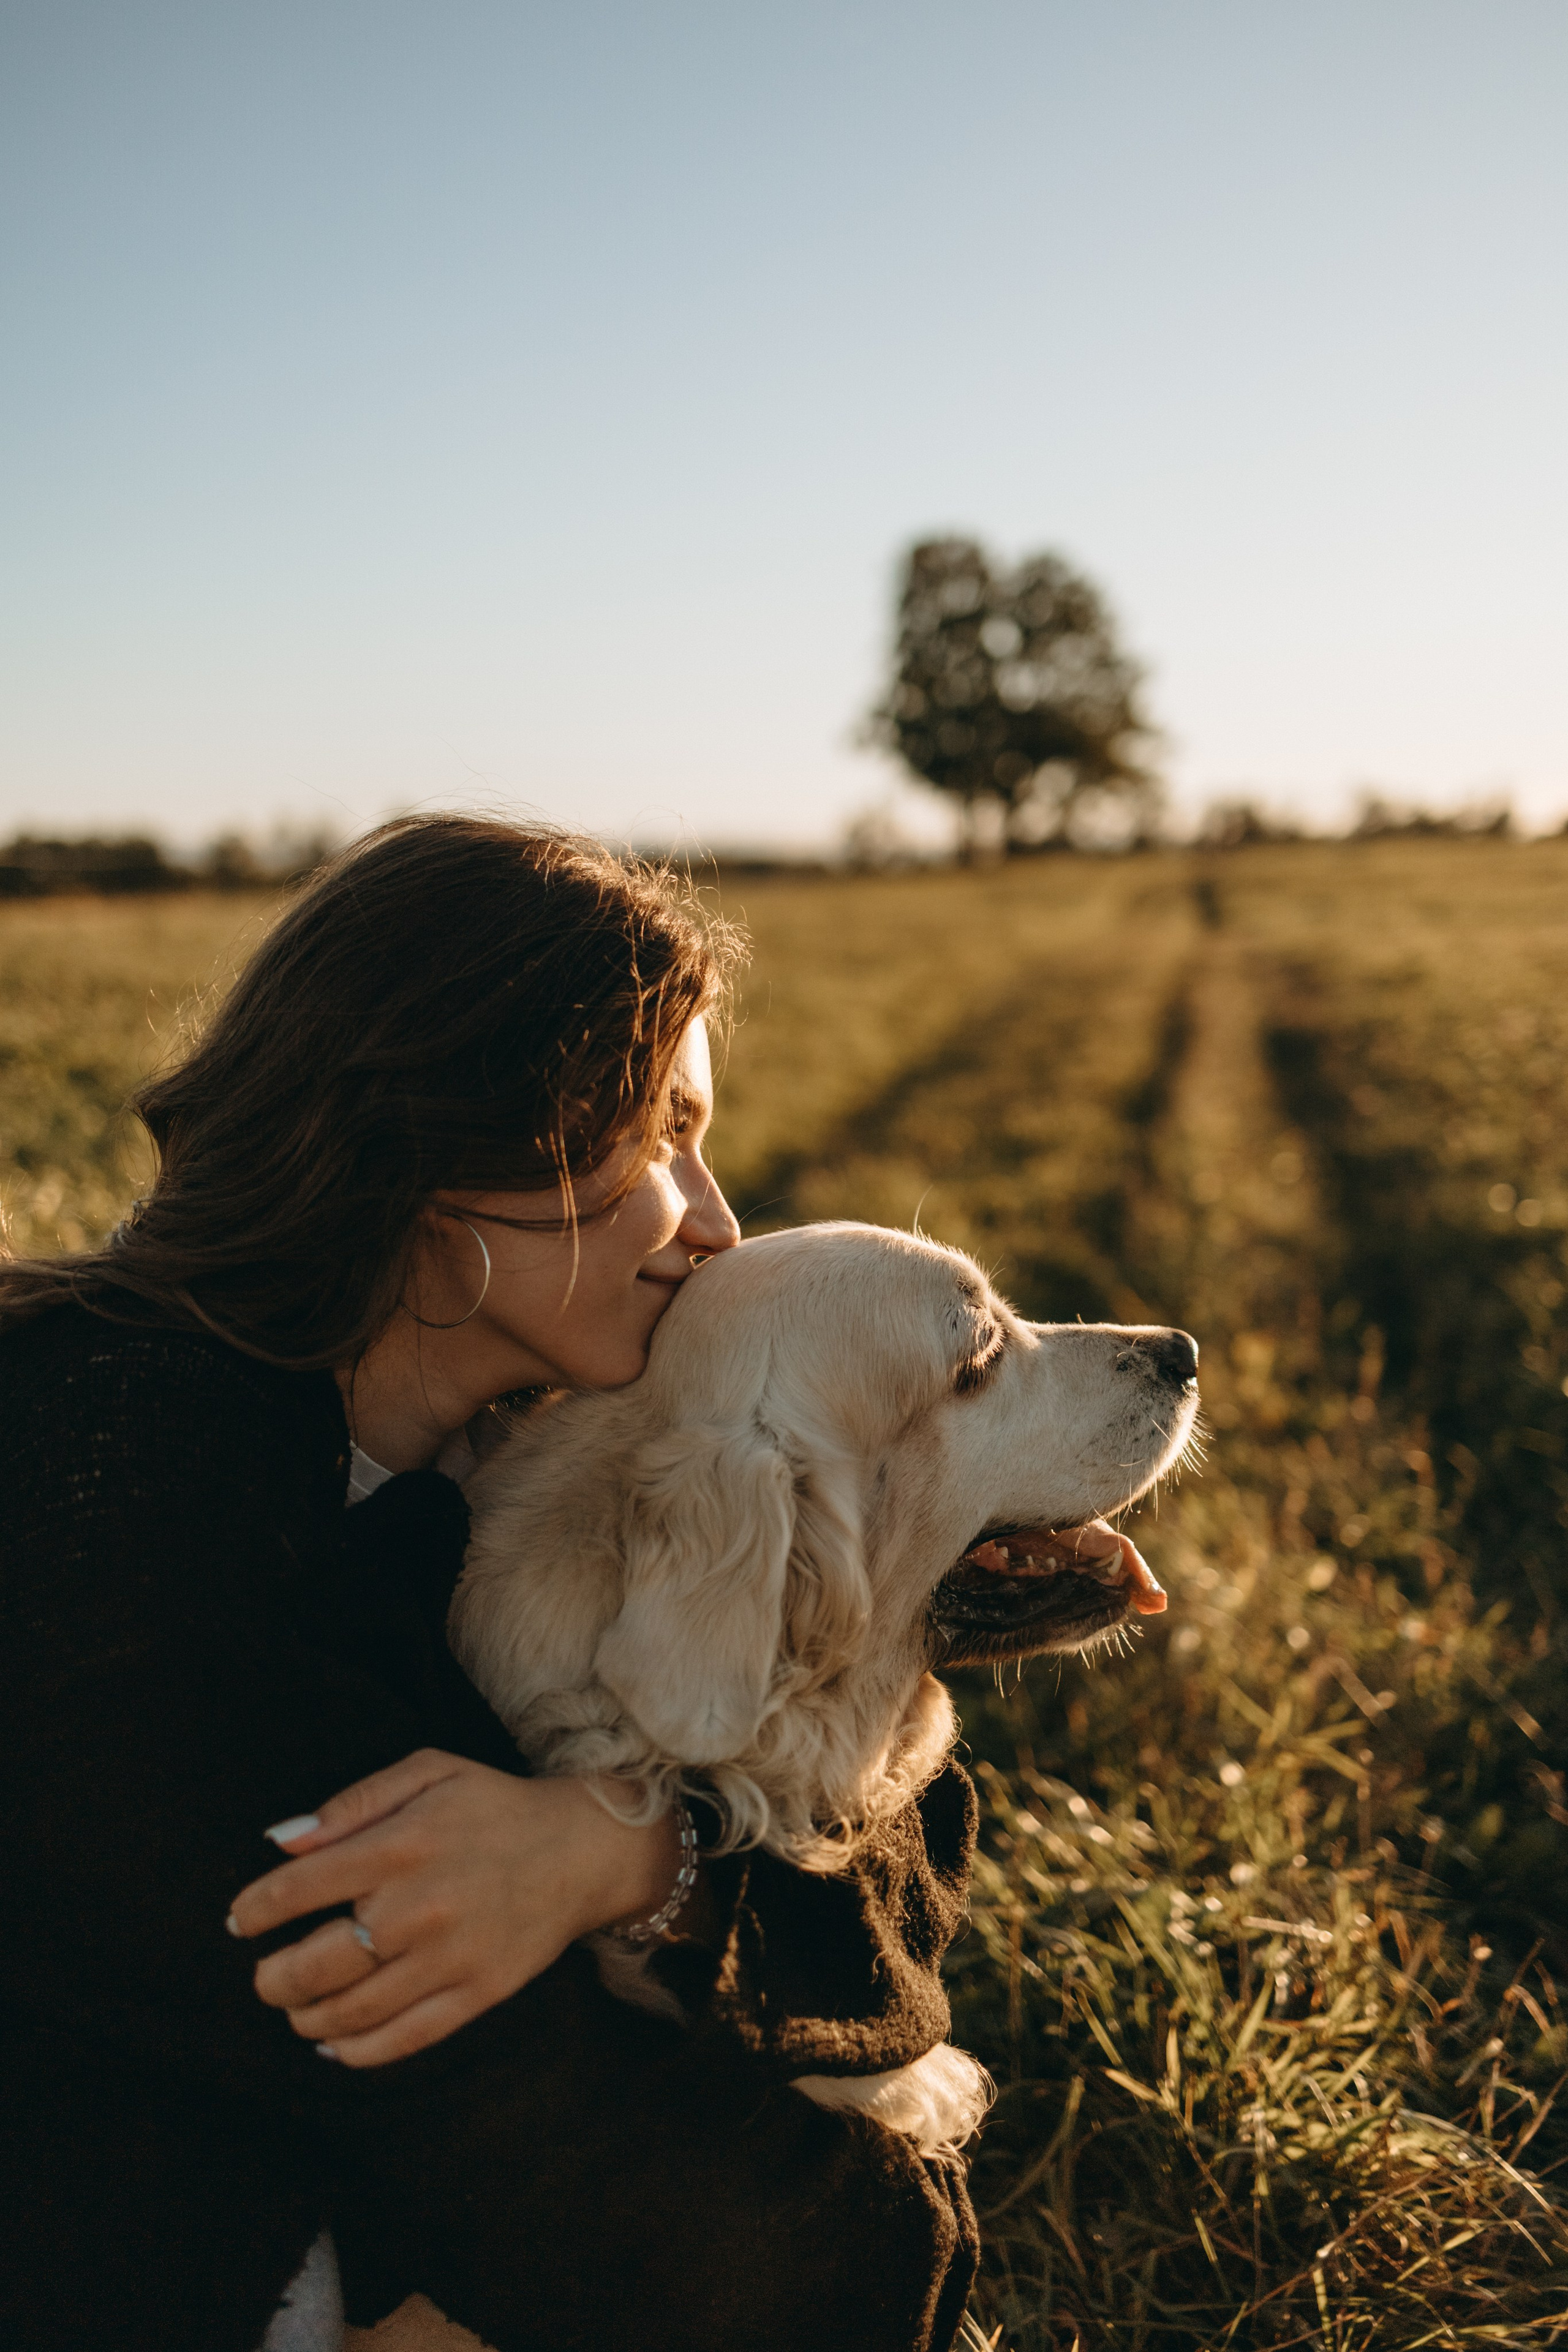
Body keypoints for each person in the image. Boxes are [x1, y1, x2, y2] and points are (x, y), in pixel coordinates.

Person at [0, 816, 979, 2352]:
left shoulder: (524, 1444)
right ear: (459, 1152)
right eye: (663, 1133)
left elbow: (903, 1830)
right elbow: (479, 2108)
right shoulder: (108, 1484)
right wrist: (862, 2236)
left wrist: (619, 1852)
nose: (717, 1221)